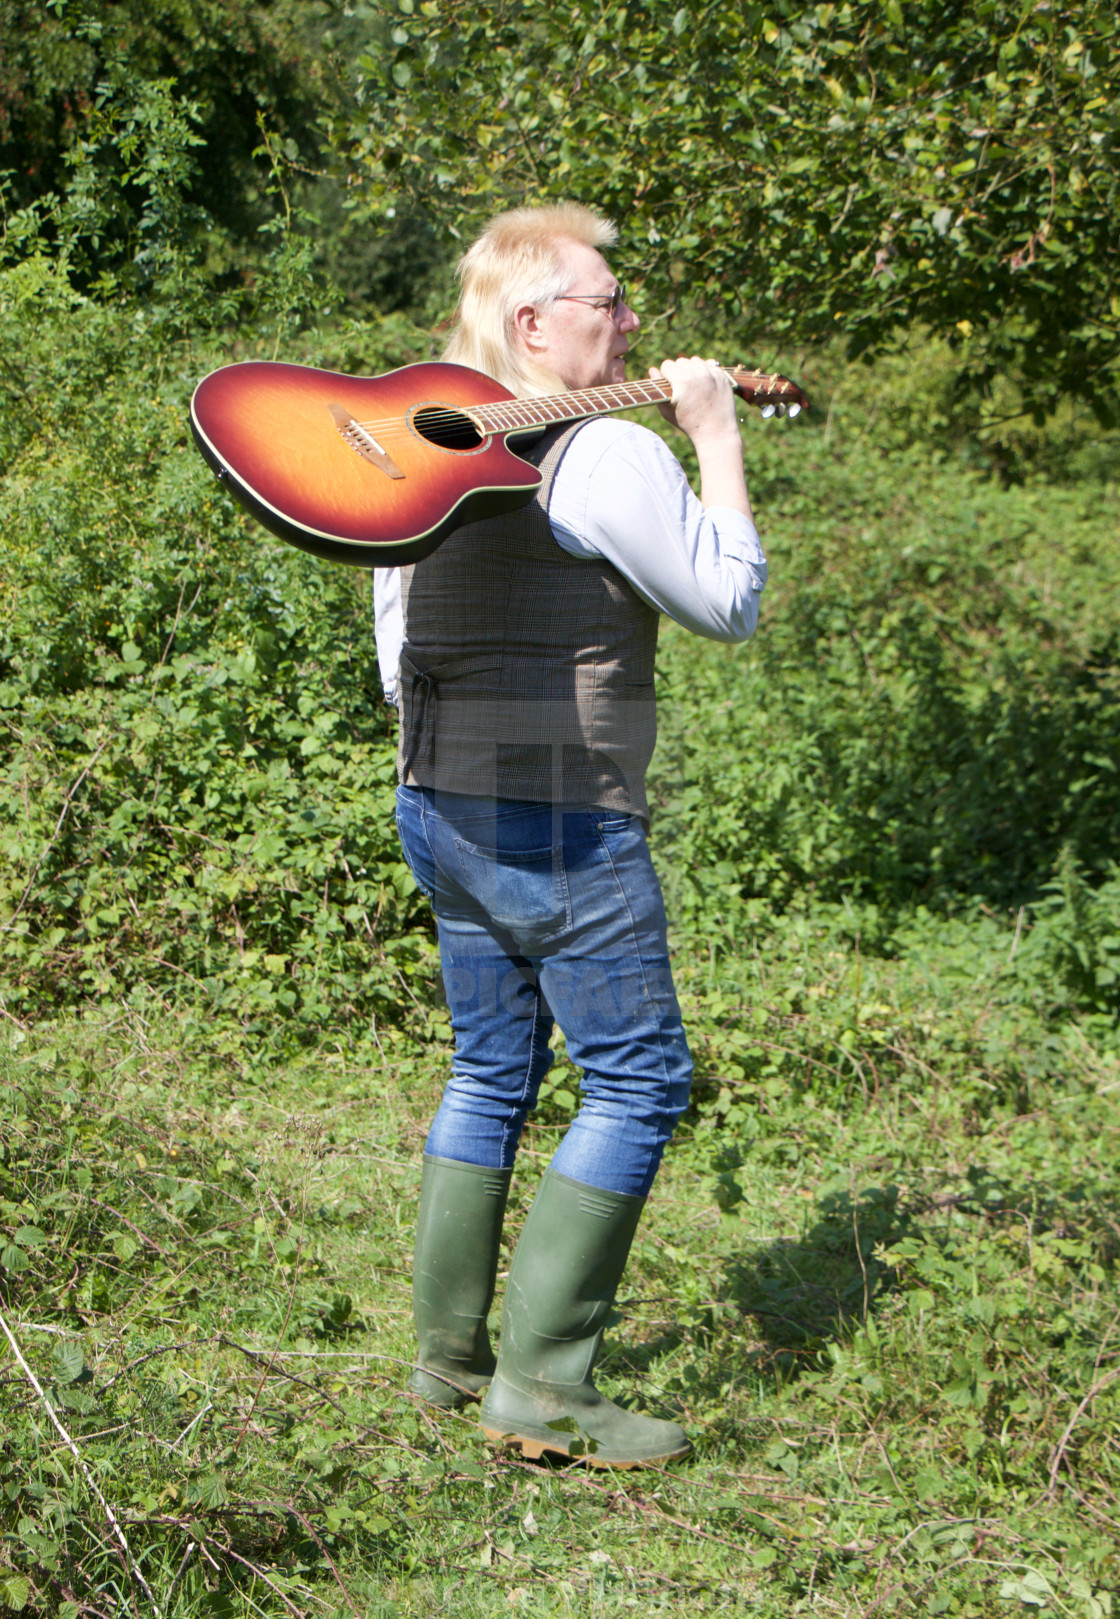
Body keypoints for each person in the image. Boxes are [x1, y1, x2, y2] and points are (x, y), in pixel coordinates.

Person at [373, 202, 767, 1467]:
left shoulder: (417, 444)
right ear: (533, 321)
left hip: (438, 797)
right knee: (639, 1079)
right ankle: (544, 1385)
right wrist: (711, 437)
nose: (631, 318)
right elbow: (727, 602)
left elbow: (396, 657)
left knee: (491, 1068)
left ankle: (447, 1356)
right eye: (609, 298)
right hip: (563, 821)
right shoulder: (608, 454)